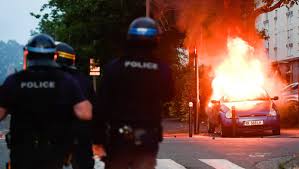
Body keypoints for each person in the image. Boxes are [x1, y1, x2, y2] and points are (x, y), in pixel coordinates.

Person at [0, 34, 92, 169]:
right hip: (53, 149)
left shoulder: (14, 80)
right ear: (54, 56)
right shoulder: (66, 80)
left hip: (22, 149)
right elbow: (85, 113)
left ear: (28, 54)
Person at [93, 17, 174, 169]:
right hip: (148, 137)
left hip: (119, 137)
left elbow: (101, 107)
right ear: (156, 40)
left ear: (129, 38)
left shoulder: (114, 67)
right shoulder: (162, 69)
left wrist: (98, 140)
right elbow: (169, 95)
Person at [55, 42, 95, 169]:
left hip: (56, 134)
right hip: (81, 135)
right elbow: (94, 108)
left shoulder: (50, 79)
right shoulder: (84, 79)